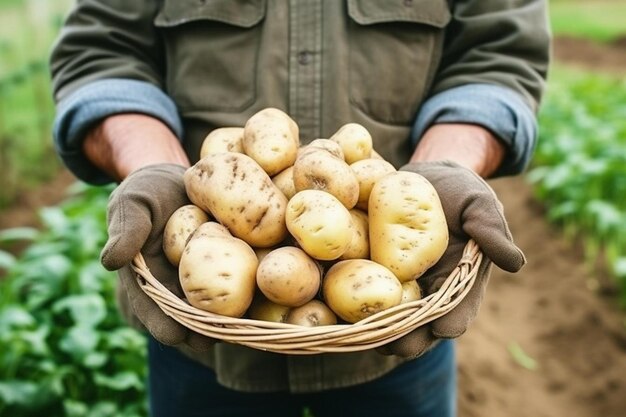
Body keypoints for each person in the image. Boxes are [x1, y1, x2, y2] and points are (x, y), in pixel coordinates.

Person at [49, 1, 550, 416]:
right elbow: (101, 52)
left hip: (400, 340)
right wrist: (153, 167)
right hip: (194, 337)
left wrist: (446, 167)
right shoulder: (242, 207)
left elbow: (498, 57)